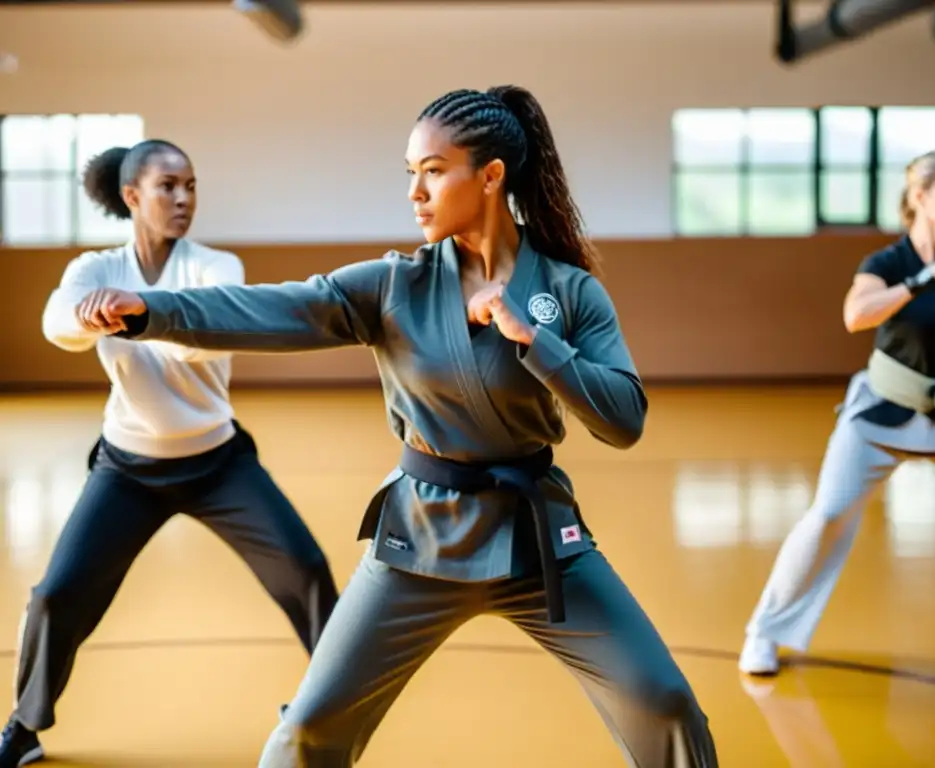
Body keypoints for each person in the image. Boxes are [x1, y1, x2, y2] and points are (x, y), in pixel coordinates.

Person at [75, 86, 720, 767]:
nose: (415, 191)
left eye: (433, 171)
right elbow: (276, 308)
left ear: (491, 176)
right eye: (409, 172)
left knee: (664, 701)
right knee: (308, 730)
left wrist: (535, 342)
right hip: (419, 540)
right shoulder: (393, 286)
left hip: (538, 543)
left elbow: (624, 420)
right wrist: (151, 311)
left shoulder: (567, 292)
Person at [0, 140, 340, 767]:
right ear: (133, 197)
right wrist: (93, 315)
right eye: (168, 187)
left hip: (220, 463)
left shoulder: (216, 265)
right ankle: (23, 727)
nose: (183, 198)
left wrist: (138, 315)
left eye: (191, 185)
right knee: (56, 595)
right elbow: (58, 325)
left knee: (307, 569)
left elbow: (210, 333)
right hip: (127, 470)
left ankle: (335, 711)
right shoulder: (96, 269)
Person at [738, 149, 935, 676]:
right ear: (920, 196)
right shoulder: (888, 264)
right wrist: (920, 281)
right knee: (825, 517)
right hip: (880, 416)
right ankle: (764, 631)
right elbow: (856, 315)